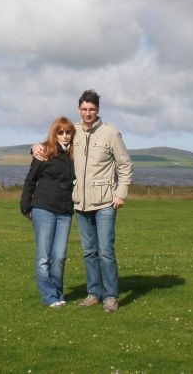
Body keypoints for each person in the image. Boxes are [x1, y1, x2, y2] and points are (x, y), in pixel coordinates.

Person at [33, 90, 133, 312]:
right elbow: (52, 143)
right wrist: (33, 147)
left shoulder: (111, 133)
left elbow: (125, 165)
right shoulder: (73, 131)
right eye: (84, 109)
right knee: (89, 251)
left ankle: (110, 297)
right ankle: (93, 293)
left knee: (105, 250)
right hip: (80, 203)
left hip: (106, 201)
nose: (88, 113)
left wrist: (121, 193)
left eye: (92, 109)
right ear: (79, 109)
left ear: (98, 110)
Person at [20, 116, 76, 308]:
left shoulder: (76, 155)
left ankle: (58, 294)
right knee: (44, 257)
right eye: (60, 132)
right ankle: (50, 297)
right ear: (54, 133)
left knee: (59, 256)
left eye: (68, 132)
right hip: (43, 209)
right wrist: (25, 207)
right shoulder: (44, 152)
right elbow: (30, 180)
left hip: (65, 212)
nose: (65, 136)